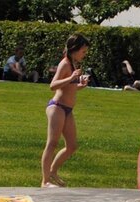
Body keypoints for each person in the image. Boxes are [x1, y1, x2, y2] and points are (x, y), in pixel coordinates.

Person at [40, 34, 90, 188]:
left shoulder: (73, 65)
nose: (84, 54)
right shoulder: (65, 64)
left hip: (67, 109)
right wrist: (71, 78)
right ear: (74, 50)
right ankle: (45, 181)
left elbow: (70, 88)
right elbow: (53, 85)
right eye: (83, 51)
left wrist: (80, 84)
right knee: (52, 143)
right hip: (57, 107)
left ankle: (53, 171)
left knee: (72, 146)